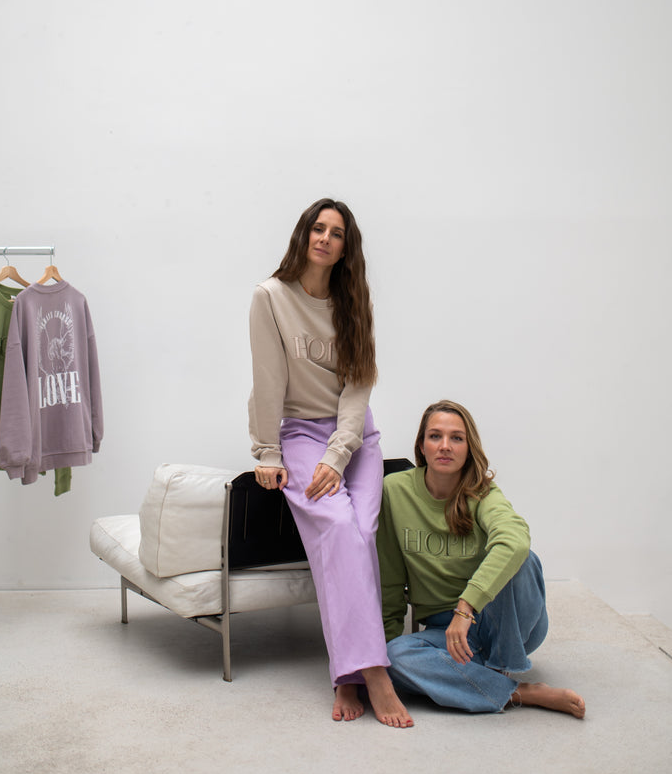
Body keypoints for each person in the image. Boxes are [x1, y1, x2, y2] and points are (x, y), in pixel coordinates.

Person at [249, 198, 412, 727]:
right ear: (304, 235)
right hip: (300, 432)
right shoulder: (270, 297)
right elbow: (267, 381)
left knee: (361, 531)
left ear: (345, 248)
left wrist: (340, 455)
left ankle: (347, 674)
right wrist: (267, 451)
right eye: (317, 228)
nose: (324, 238)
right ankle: (372, 673)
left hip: (354, 436)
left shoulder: (354, 300)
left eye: (336, 233)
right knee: (339, 526)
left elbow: (358, 386)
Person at [377, 400, 586, 722]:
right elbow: (389, 577)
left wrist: (466, 608)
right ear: (421, 445)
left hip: (508, 624)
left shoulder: (482, 492)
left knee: (523, 559)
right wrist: (387, 656)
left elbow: (515, 540)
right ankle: (518, 691)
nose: (445, 446)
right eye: (435, 436)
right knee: (396, 656)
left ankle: (499, 667)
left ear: (469, 448)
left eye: (457, 438)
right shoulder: (394, 491)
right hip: (446, 635)